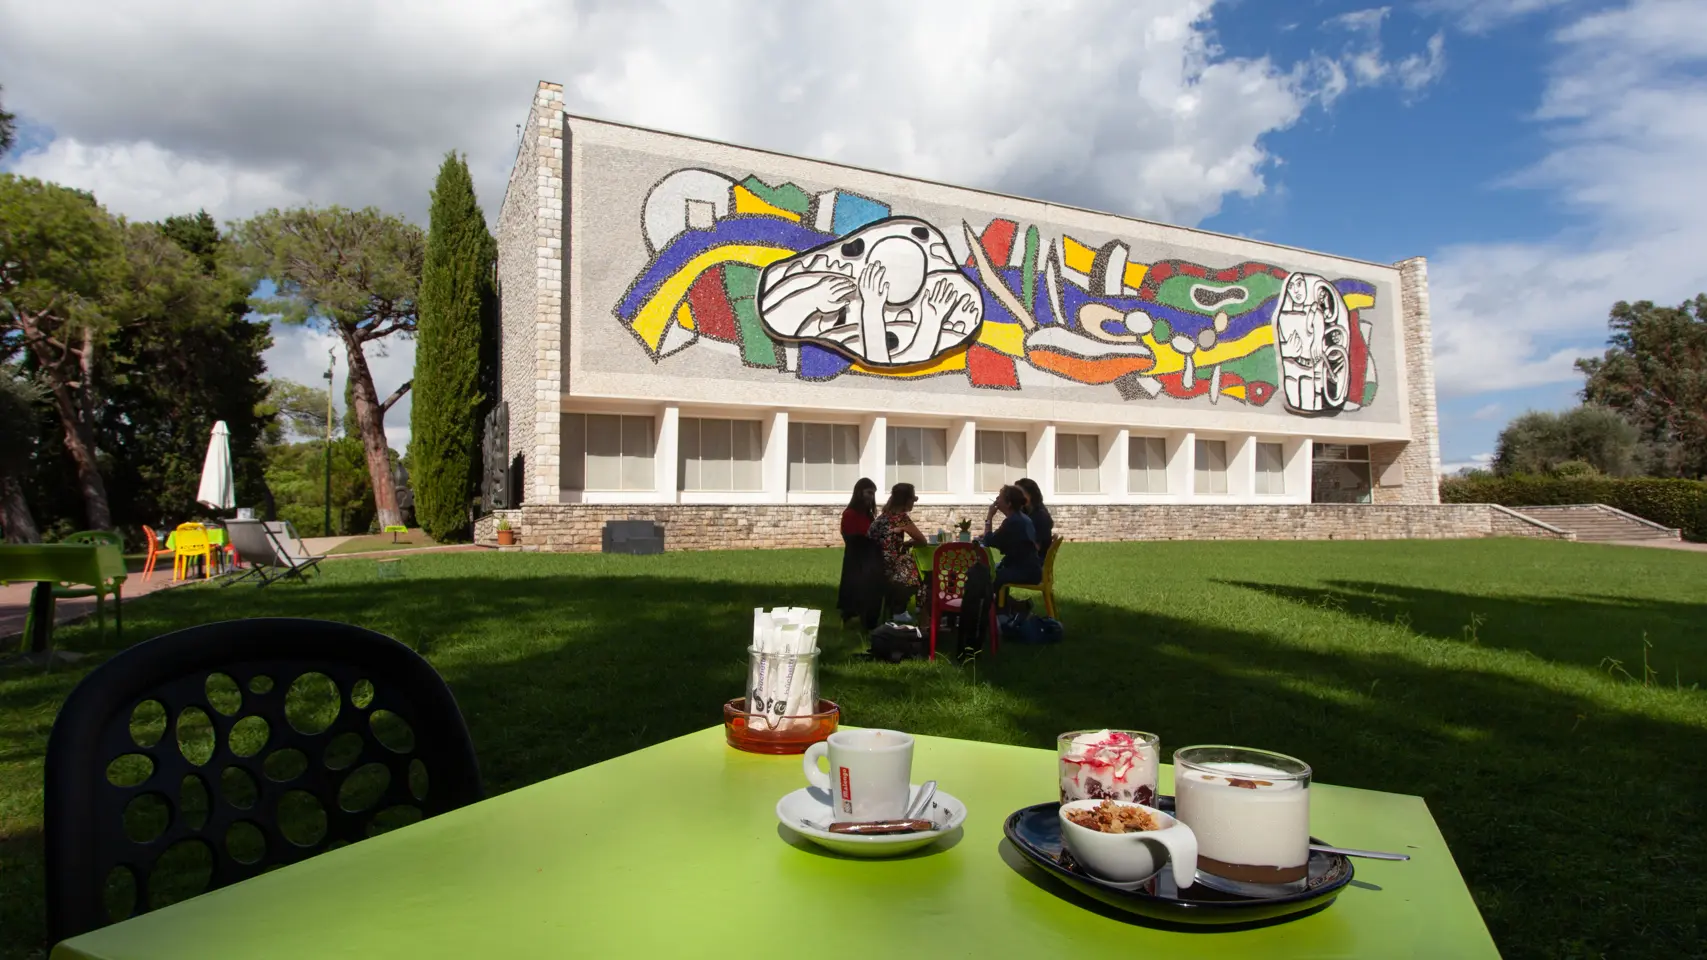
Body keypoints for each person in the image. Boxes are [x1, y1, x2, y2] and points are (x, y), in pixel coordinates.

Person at [866, 482, 929, 621]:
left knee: (910, 562)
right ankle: (914, 609)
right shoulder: (901, 518)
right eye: (912, 499)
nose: (914, 502)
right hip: (889, 568)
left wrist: (905, 544)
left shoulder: (884, 516)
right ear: (906, 500)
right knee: (925, 570)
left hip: (872, 566)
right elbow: (922, 541)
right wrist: (909, 543)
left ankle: (905, 608)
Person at [983, 484, 1044, 602]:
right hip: (1031, 568)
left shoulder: (1013, 522)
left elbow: (988, 541)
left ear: (1009, 503)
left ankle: (990, 611)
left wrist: (990, 516)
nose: (996, 499)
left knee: (988, 575)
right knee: (993, 570)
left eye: (999, 497)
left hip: (1025, 571)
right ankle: (1008, 607)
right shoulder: (1020, 518)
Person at [837, 478, 882, 628]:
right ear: (859, 492)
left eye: (873, 493)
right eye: (869, 492)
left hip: (870, 556)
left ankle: (868, 621)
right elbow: (850, 536)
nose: (871, 496)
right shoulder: (850, 513)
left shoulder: (868, 514)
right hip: (856, 557)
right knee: (854, 590)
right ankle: (849, 619)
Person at [1014, 477, 1054, 558]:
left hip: (1033, 563)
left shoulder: (1040, 516)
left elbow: (1037, 547)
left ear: (1030, 495)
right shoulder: (1026, 512)